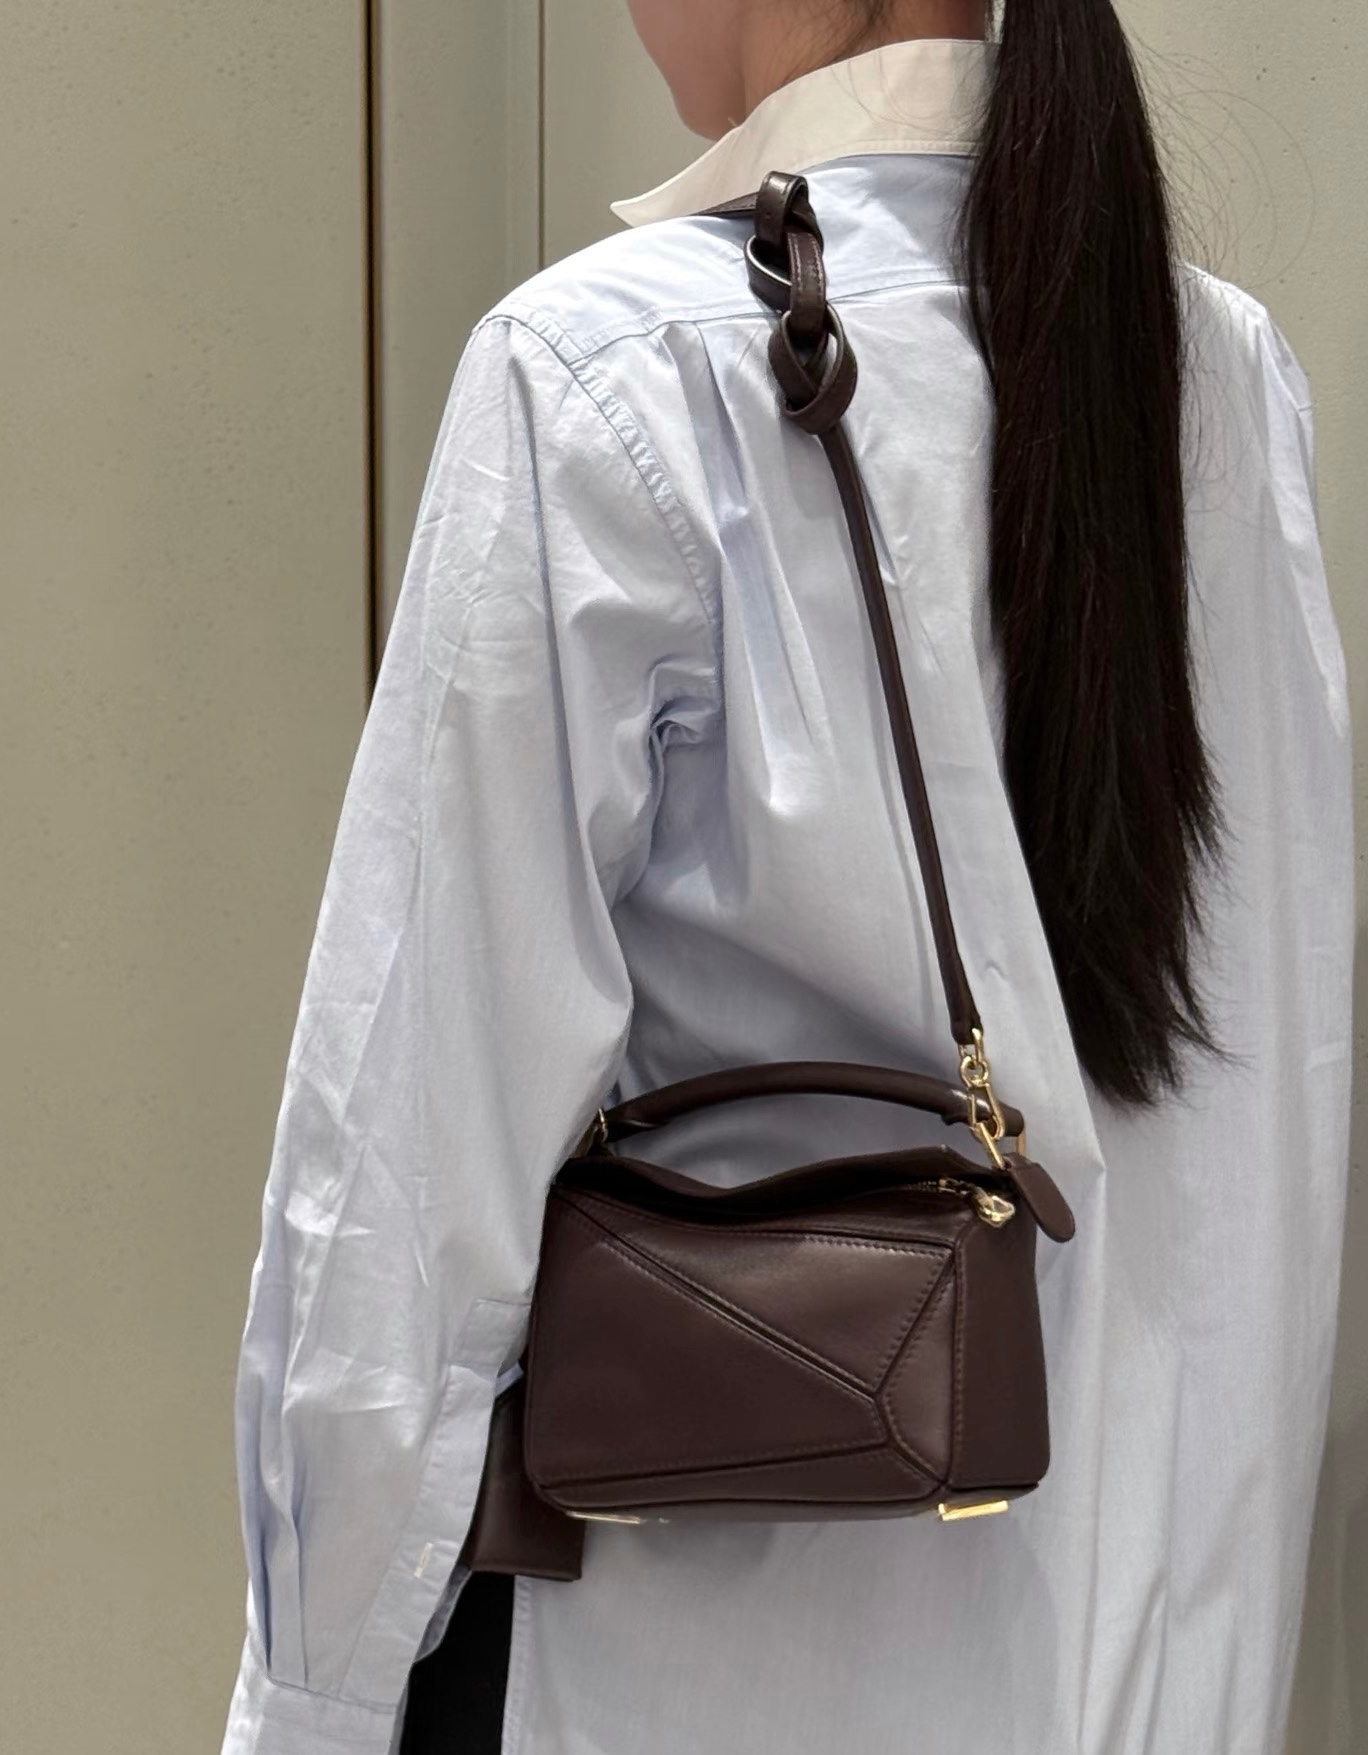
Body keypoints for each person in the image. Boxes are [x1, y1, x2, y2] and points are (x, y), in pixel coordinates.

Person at [218, 3, 1354, 1753]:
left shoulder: (606, 372)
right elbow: (1268, 1117)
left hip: (691, 1679)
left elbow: (401, 1188)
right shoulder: (1220, 373)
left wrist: (311, 1706)